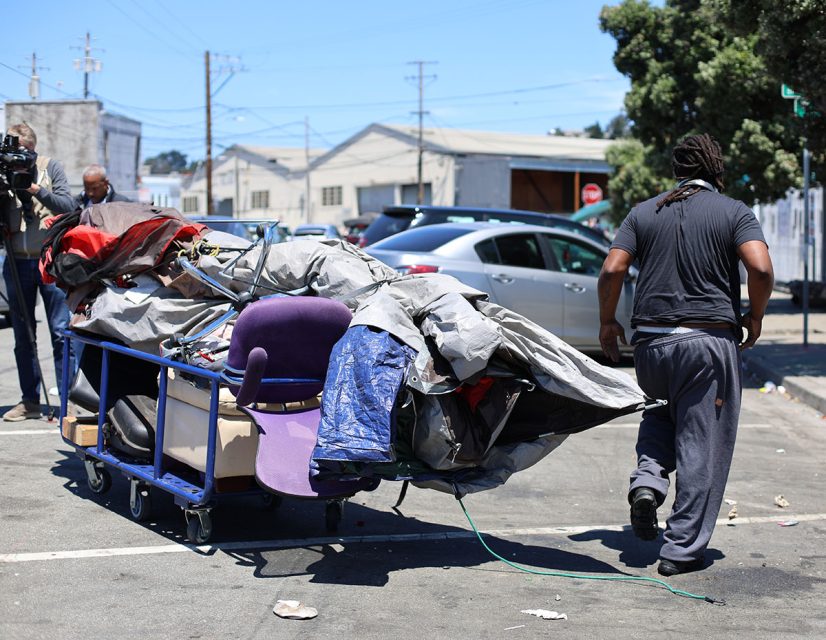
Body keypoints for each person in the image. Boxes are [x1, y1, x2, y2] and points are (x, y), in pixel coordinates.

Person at [597, 133, 774, 576]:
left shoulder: (643, 212)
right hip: (706, 344)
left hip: (651, 346)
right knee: (702, 443)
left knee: (659, 416)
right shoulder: (734, 212)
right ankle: (680, 550)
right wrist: (755, 315)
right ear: (715, 169)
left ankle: (647, 484)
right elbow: (761, 267)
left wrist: (608, 322)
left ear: (677, 170)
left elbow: (612, 268)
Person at [2, 123, 78, 421]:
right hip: (16, 261)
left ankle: (67, 402)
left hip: (49, 262)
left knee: (61, 333)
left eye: (22, 152)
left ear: (32, 149)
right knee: (23, 336)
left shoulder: (50, 167)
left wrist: (33, 188)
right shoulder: (2, 171)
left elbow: (68, 205)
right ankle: (29, 401)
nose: (16, 158)